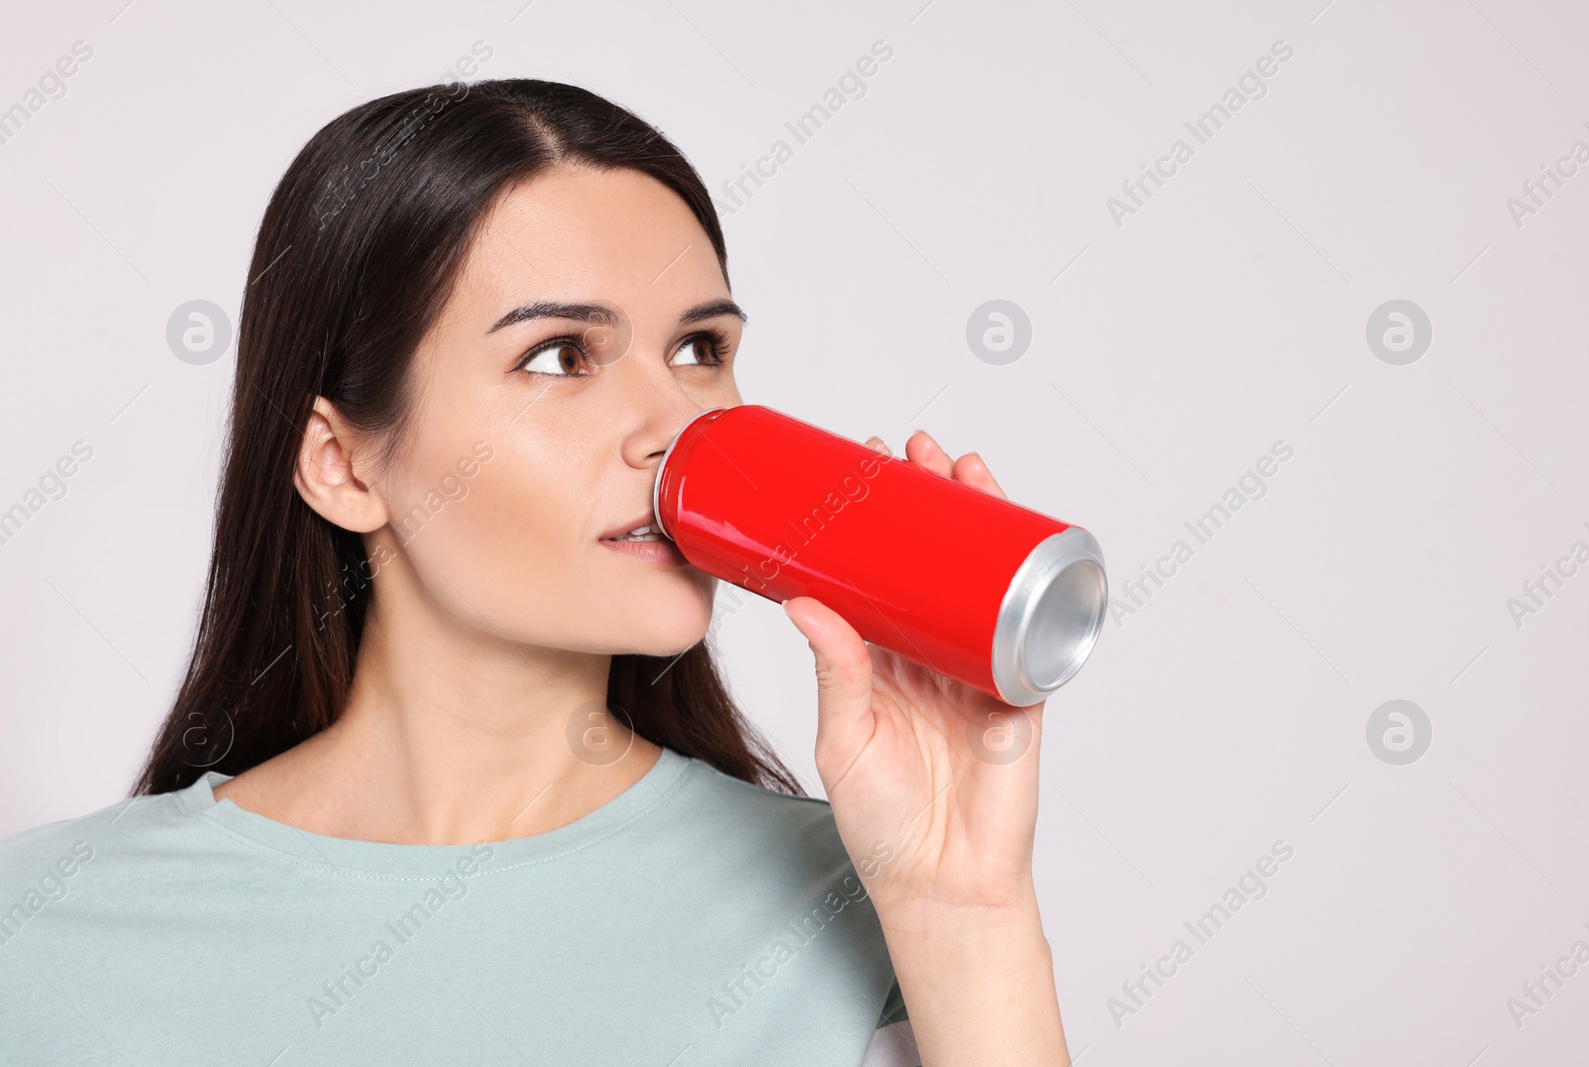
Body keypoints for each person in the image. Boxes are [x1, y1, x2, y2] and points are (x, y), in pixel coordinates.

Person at [0, 78, 1072, 1066]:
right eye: (560, 355)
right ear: (341, 463)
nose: (676, 430)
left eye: (700, 349)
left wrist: (965, 914)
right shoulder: (41, 931)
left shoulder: (878, 908)